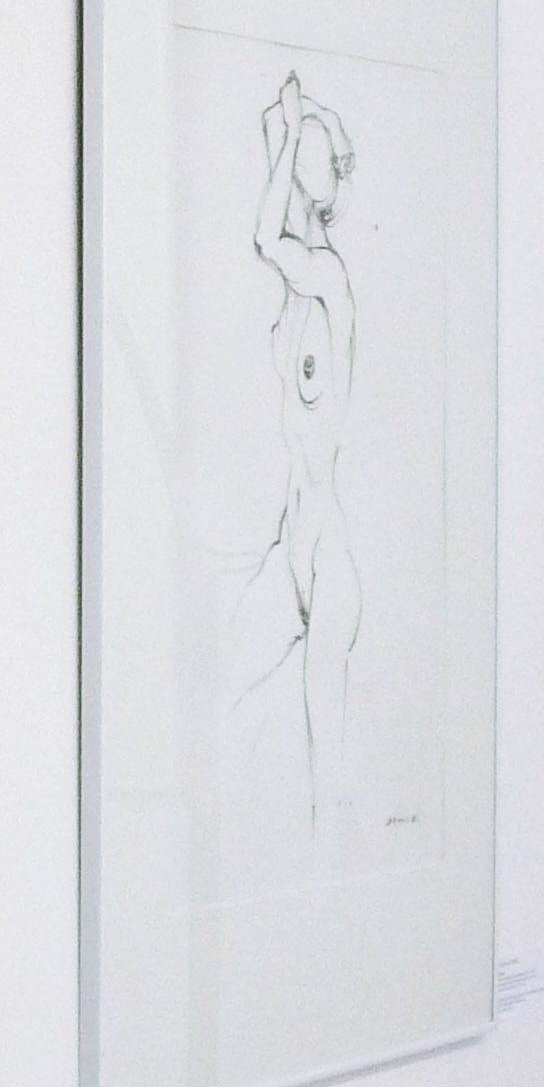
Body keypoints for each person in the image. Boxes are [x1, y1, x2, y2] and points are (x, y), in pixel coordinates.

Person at [233, 69, 361, 835]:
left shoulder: (329, 279)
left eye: (295, 160)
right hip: (292, 541)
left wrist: (296, 126)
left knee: (328, 774)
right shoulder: (294, 296)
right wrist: (293, 121)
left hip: (327, 555)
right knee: (222, 695)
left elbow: (264, 237)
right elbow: (269, 205)